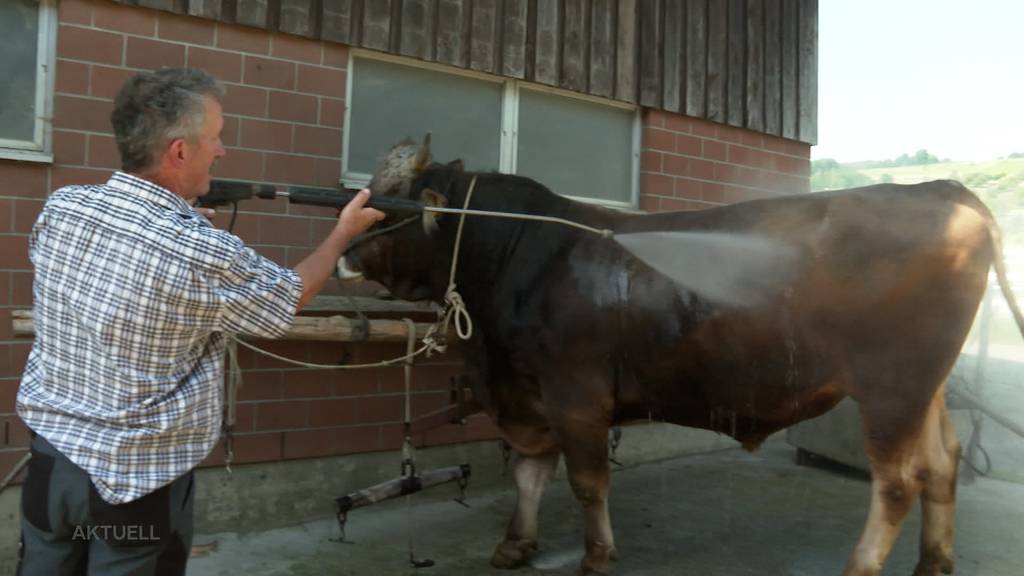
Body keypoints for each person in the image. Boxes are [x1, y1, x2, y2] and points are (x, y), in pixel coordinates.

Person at [15, 67, 385, 575]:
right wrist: (344, 233)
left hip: (52, 471)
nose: (222, 151)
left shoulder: (63, 208)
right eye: (216, 138)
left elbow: (122, 264)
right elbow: (288, 297)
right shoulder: (202, 252)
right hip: (133, 488)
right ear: (180, 152)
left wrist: (182, 226)